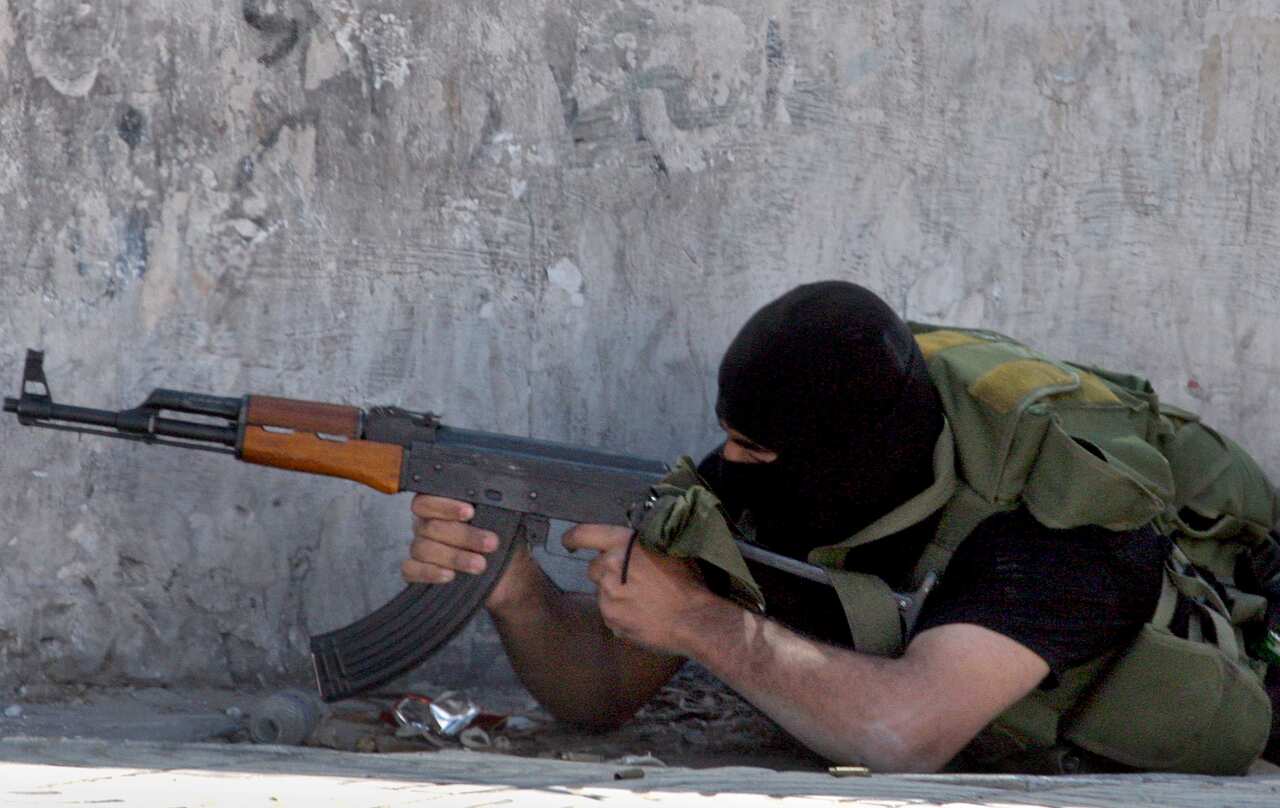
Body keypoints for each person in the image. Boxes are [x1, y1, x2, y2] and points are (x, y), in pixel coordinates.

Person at [399, 282, 1260, 772]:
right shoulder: (777, 472)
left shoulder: (1055, 527)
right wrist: (509, 583)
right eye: (730, 436)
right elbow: (599, 693)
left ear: (840, 460)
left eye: (750, 446)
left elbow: (907, 733)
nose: (724, 468)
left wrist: (698, 617)